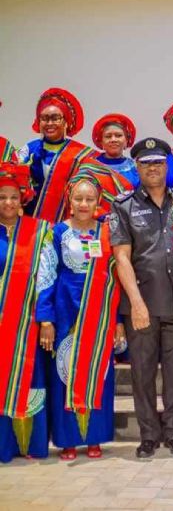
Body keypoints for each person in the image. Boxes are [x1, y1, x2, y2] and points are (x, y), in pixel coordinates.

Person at [110, 137, 173, 459]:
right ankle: (148, 436)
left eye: (158, 162)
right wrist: (137, 303)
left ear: (167, 165)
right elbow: (122, 258)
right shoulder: (124, 206)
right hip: (141, 305)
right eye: (146, 163)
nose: (153, 168)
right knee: (143, 373)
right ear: (137, 167)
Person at [48, 171, 124, 460]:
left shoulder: (106, 233)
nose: (83, 203)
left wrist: (117, 320)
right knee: (65, 373)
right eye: (78, 198)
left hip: (100, 310)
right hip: (66, 310)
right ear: (70, 201)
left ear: (98, 202)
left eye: (89, 199)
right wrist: (47, 319)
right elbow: (46, 276)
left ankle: (94, 438)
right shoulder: (57, 233)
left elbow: (116, 278)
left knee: (99, 374)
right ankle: (68, 440)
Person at [0, 162, 56, 463]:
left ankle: (31, 444)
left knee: (30, 378)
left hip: (28, 325)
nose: (7, 202)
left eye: (12, 196)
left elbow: (46, 279)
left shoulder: (40, 231)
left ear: (23, 197)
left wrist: (46, 319)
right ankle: (4, 447)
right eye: (1, 197)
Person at [17, 87, 95, 223]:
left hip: (66, 225)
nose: (49, 123)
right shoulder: (29, 149)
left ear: (66, 121)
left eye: (55, 118)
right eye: (44, 118)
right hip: (30, 223)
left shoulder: (81, 154)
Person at [90, 113, 139, 189]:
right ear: (101, 141)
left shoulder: (135, 168)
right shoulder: (91, 167)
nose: (113, 140)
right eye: (108, 136)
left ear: (126, 140)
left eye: (118, 135)